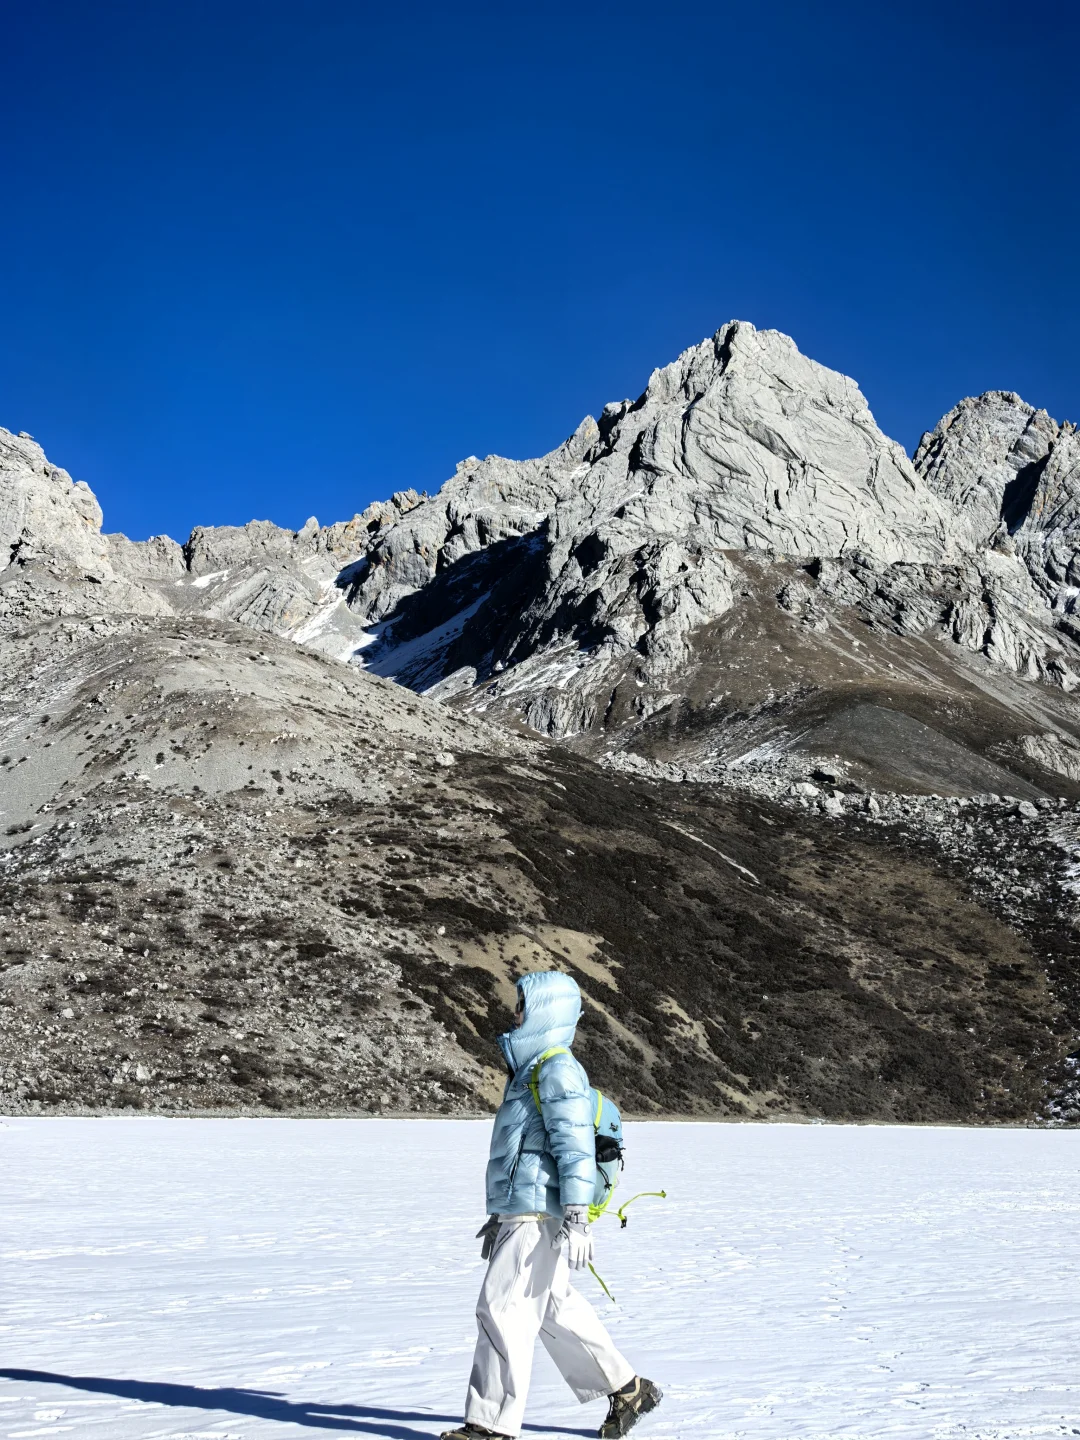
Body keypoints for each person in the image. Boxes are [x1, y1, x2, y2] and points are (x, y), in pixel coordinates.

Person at [441, 969, 662, 1440]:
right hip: (525, 1208)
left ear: (544, 1011)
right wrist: (498, 1214)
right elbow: (525, 1150)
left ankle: (490, 1427)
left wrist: (578, 1218)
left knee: (503, 1308)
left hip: (541, 1210)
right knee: (553, 1307)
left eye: (521, 1004)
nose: (514, 1012)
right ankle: (628, 1389)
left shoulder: (556, 1069)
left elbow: (575, 1148)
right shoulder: (532, 1069)